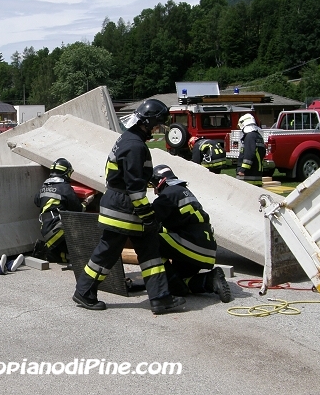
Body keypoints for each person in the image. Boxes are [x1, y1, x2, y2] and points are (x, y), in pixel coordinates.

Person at [72, 99, 185, 314]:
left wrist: (149, 176)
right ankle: (84, 291)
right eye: (157, 124)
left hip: (119, 204)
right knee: (109, 252)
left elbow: (127, 174)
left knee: (146, 249)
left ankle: (160, 298)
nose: (158, 129)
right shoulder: (134, 145)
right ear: (148, 122)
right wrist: (148, 215)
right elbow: (134, 188)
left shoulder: (129, 139)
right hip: (124, 208)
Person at [149, 164, 232, 303]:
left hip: (192, 246)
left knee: (149, 243)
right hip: (205, 250)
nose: (155, 192)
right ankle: (211, 279)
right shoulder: (184, 191)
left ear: (160, 181)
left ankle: (174, 286)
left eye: (153, 186)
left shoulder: (167, 196)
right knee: (182, 281)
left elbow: (149, 219)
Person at [33, 158, 94, 263]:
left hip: (46, 229)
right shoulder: (65, 188)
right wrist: (87, 202)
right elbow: (78, 209)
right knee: (80, 254)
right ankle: (45, 250)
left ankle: (48, 252)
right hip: (58, 230)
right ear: (66, 173)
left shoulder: (44, 187)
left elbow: (37, 201)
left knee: (63, 255)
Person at [236, 113, 266, 185]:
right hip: (256, 175)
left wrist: (242, 170)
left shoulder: (250, 137)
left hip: (247, 176)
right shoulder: (258, 136)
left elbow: (249, 154)